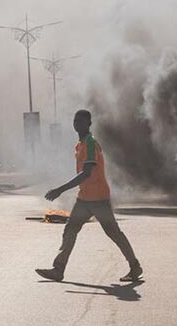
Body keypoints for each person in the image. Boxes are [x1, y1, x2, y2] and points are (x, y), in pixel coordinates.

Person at [36, 109, 143, 283]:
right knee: (70, 229)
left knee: (113, 233)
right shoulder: (80, 145)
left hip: (99, 198)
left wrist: (60, 190)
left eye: (80, 121)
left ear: (89, 123)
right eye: (75, 120)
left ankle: (134, 266)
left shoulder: (91, 144)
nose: (76, 124)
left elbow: (86, 173)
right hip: (84, 198)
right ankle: (58, 269)